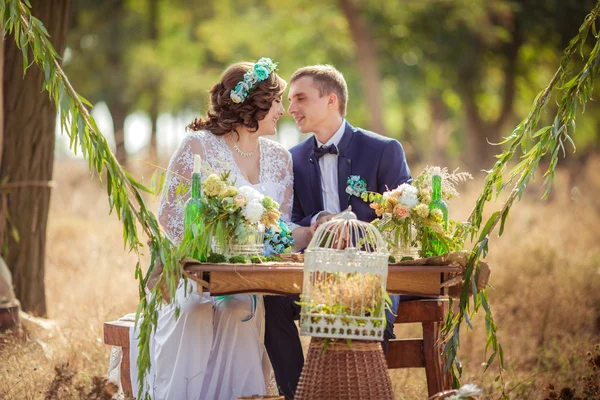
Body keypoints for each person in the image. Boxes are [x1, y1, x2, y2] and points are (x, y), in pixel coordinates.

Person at [129, 58, 313, 400]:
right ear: (254, 105)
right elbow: (169, 216)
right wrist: (214, 250)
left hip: (250, 280)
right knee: (195, 311)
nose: (281, 111)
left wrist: (311, 231)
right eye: (275, 102)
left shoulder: (280, 158)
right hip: (193, 274)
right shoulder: (198, 145)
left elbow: (281, 228)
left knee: (239, 311)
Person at [263, 65, 412, 399]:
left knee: (370, 309)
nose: (291, 109)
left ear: (331, 100)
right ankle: (297, 394)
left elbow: (404, 219)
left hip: (376, 273)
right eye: (289, 100)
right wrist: (319, 221)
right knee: (272, 305)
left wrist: (354, 230)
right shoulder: (293, 159)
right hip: (317, 273)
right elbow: (294, 217)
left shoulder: (384, 149)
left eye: (300, 98)